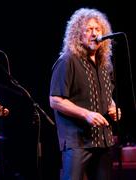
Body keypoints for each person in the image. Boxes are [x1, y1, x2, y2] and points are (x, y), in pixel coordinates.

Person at [49, 8, 121, 180]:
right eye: (88, 29)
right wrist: (86, 114)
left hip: (103, 141)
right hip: (77, 142)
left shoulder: (106, 64)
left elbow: (106, 95)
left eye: (97, 29)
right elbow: (55, 100)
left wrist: (113, 107)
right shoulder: (67, 61)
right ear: (78, 35)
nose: (94, 33)